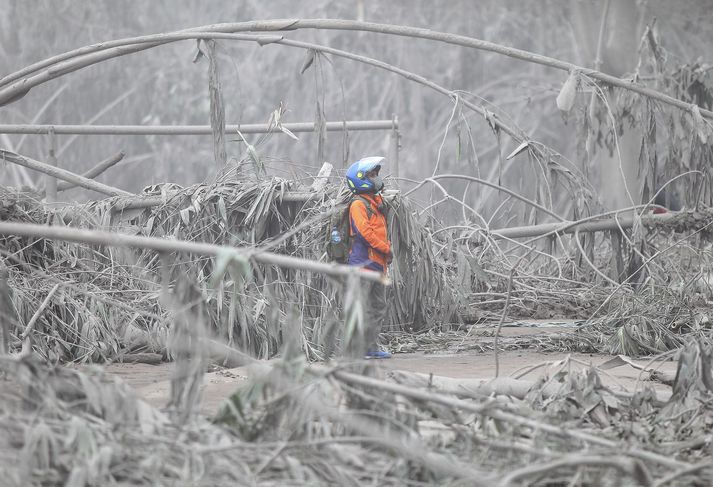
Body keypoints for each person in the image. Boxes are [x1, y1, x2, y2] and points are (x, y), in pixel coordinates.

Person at [345, 156, 393, 359]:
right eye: (371, 175)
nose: (376, 178)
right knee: (361, 308)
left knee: (378, 308)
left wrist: (385, 254)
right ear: (361, 179)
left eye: (376, 174)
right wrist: (386, 249)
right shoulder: (358, 205)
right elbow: (365, 233)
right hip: (363, 265)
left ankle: (370, 348)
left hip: (378, 265)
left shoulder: (375, 202)